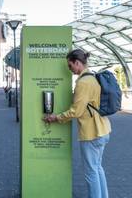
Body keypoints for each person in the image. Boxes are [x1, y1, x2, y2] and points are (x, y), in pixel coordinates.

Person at [43, 49, 111, 198]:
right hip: (103, 129)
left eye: (70, 65)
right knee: (97, 168)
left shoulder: (83, 82)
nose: (70, 69)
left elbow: (76, 111)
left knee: (91, 172)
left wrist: (56, 118)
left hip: (91, 133)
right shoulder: (92, 78)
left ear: (77, 63)